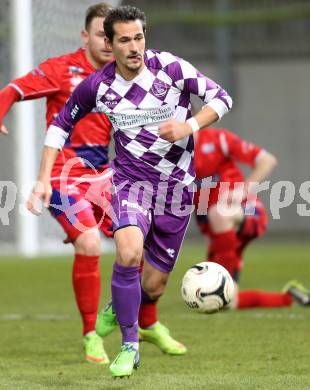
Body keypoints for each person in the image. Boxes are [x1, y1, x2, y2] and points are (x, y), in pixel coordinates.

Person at [26, 5, 232, 377]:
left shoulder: (171, 69)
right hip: (130, 183)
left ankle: (118, 305)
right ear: (109, 42)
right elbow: (59, 126)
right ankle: (129, 345)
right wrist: (43, 178)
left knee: (153, 286)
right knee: (128, 251)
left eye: (139, 37)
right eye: (125, 39)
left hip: (176, 191)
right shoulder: (98, 85)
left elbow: (221, 98)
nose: (134, 46)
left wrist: (188, 125)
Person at [0, 3, 114, 364]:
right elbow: (14, 89)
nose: (109, 42)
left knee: (141, 242)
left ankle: (140, 320)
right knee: (90, 242)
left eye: (113, 36)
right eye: (101, 34)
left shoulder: (124, 77)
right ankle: (91, 334)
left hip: (104, 176)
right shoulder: (62, 69)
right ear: (85, 36)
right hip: (62, 177)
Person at [194, 127, 310, 308]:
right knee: (224, 302)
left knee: (220, 213)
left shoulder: (218, 139)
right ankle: (290, 298)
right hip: (218, 230)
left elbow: (267, 160)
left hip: (246, 211)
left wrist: (242, 191)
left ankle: (223, 281)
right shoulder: (168, 152)